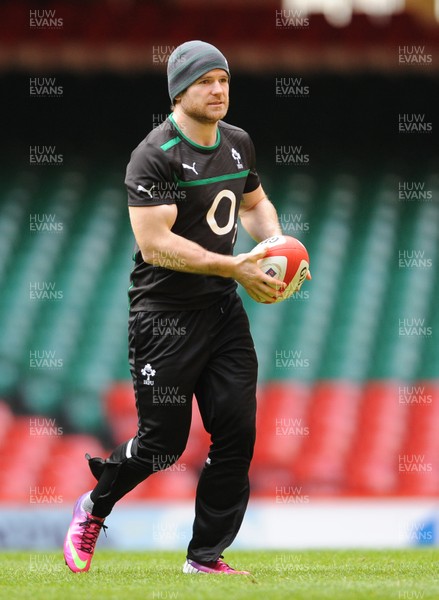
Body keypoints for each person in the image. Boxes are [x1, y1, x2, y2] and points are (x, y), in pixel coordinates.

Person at [64, 40, 287, 576]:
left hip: (222, 313)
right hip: (163, 317)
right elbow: (156, 244)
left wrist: (276, 246)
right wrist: (234, 266)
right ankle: (94, 507)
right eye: (205, 81)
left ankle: (205, 557)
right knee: (162, 444)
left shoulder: (238, 143)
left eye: (224, 81)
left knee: (237, 431)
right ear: (178, 91)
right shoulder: (154, 154)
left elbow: (254, 205)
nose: (218, 90)